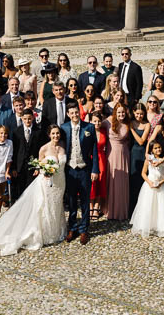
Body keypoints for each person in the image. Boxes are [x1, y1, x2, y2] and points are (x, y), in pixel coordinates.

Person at [0, 125, 68, 255]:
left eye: (57, 133)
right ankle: (45, 234)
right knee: (44, 207)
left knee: (56, 206)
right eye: (53, 133)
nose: (56, 136)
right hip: (46, 182)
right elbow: (39, 165)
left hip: (60, 182)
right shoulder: (44, 148)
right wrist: (45, 171)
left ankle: (55, 231)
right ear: (49, 135)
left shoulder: (62, 146)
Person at [61, 104, 99, 245]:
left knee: (84, 200)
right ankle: (72, 227)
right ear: (68, 114)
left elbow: (94, 149)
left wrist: (95, 169)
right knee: (71, 200)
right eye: (72, 113)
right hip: (70, 169)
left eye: (77, 112)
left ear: (79, 113)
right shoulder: (64, 128)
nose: (75, 115)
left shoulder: (88, 127)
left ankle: (84, 229)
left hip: (84, 168)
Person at [130, 141, 164, 240]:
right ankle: (148, 226)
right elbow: (143, 173)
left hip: (162, 186)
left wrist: (161, 182)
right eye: (155, 148)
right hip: (149, 186)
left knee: (163, 207)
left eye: (159, 147)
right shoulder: (148, 160)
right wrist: (150, 182)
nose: (158, 149)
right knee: (149, 206)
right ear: (151, 150)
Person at [11, 100, 45, 202]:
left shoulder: (38, 132)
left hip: (33, 166)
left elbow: (41, 151)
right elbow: (14, 150)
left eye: (29, 119)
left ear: (33, 118)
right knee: (20, 190)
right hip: (20, 166)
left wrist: (39, 167)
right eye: (25, 119)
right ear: (22, 119)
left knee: (31, 190)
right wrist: (13, 168)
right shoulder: (16, 132)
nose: (27, 121)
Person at [105, 103, 132, 221]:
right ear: (115, 113)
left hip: (124, 154)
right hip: (111, 154)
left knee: (122, 182)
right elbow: (94, 126)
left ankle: (121, 210)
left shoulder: (128, 123)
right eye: (119, 112)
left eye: (123, 112)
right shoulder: (107, 122)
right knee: (111, 180)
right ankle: (110, 209)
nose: (121, 114)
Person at [128, 102, 150, 215]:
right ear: (133, 113)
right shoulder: (131, 122)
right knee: (133, 181)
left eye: (141, 114)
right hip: (132, 153)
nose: (139, 116)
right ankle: (132, 209)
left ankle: (142, 210)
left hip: (141, 152)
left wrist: (131, 129)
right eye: (137, 114)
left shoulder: (147, 124)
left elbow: (141, 141)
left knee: (142, 181)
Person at [89, 112, 108, 219]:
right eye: (94, 121)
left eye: (99, 121)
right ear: (91, 121)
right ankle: (90, 206)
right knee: (91, 183)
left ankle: (97, 206)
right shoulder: (87, 131)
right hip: (90, 158)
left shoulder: (104, 132)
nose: (97, 123)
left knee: (100, 182)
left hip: (101, 159)